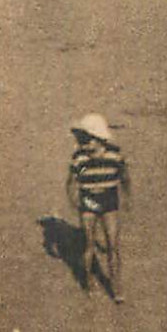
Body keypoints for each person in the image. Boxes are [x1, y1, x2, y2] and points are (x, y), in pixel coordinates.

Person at [66, 113, 130, 303]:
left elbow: (125, 177)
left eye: (87, 139)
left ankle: (116, 284)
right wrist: (74, 201)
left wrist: (127, 198)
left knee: (113, 244)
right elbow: (70, 183)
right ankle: (90, 280)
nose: (84, 143)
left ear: (99, 139)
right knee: (89, 245)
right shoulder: (79, 158)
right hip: (88, 200)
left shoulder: (114, 155)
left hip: (109, 199)